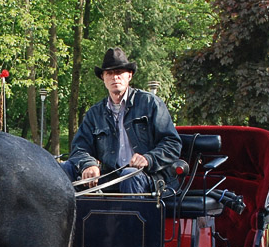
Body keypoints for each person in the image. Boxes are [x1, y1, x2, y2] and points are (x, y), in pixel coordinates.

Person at [62, 47, 182, 194]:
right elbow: (79, 148)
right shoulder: (95, 113)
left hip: (151, 176)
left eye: (119, 72)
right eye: (110, 73)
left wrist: (148, 158)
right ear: (103, 78)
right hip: (110, 176)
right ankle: (69, 217)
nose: (115, 77)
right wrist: (88, 165)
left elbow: (172, 143)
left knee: (129, 176)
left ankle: (131, 217)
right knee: (65, 168)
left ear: (129, 76)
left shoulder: (150, 103)